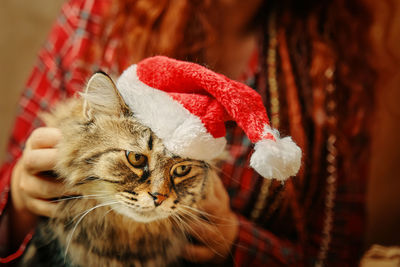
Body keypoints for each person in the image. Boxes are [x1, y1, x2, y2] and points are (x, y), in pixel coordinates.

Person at [0, 0, 381, 265]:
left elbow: (337, 253)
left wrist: (233, 240)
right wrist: (19, 198)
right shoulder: (92, 17)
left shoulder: (333, 65)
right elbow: (12, 186)